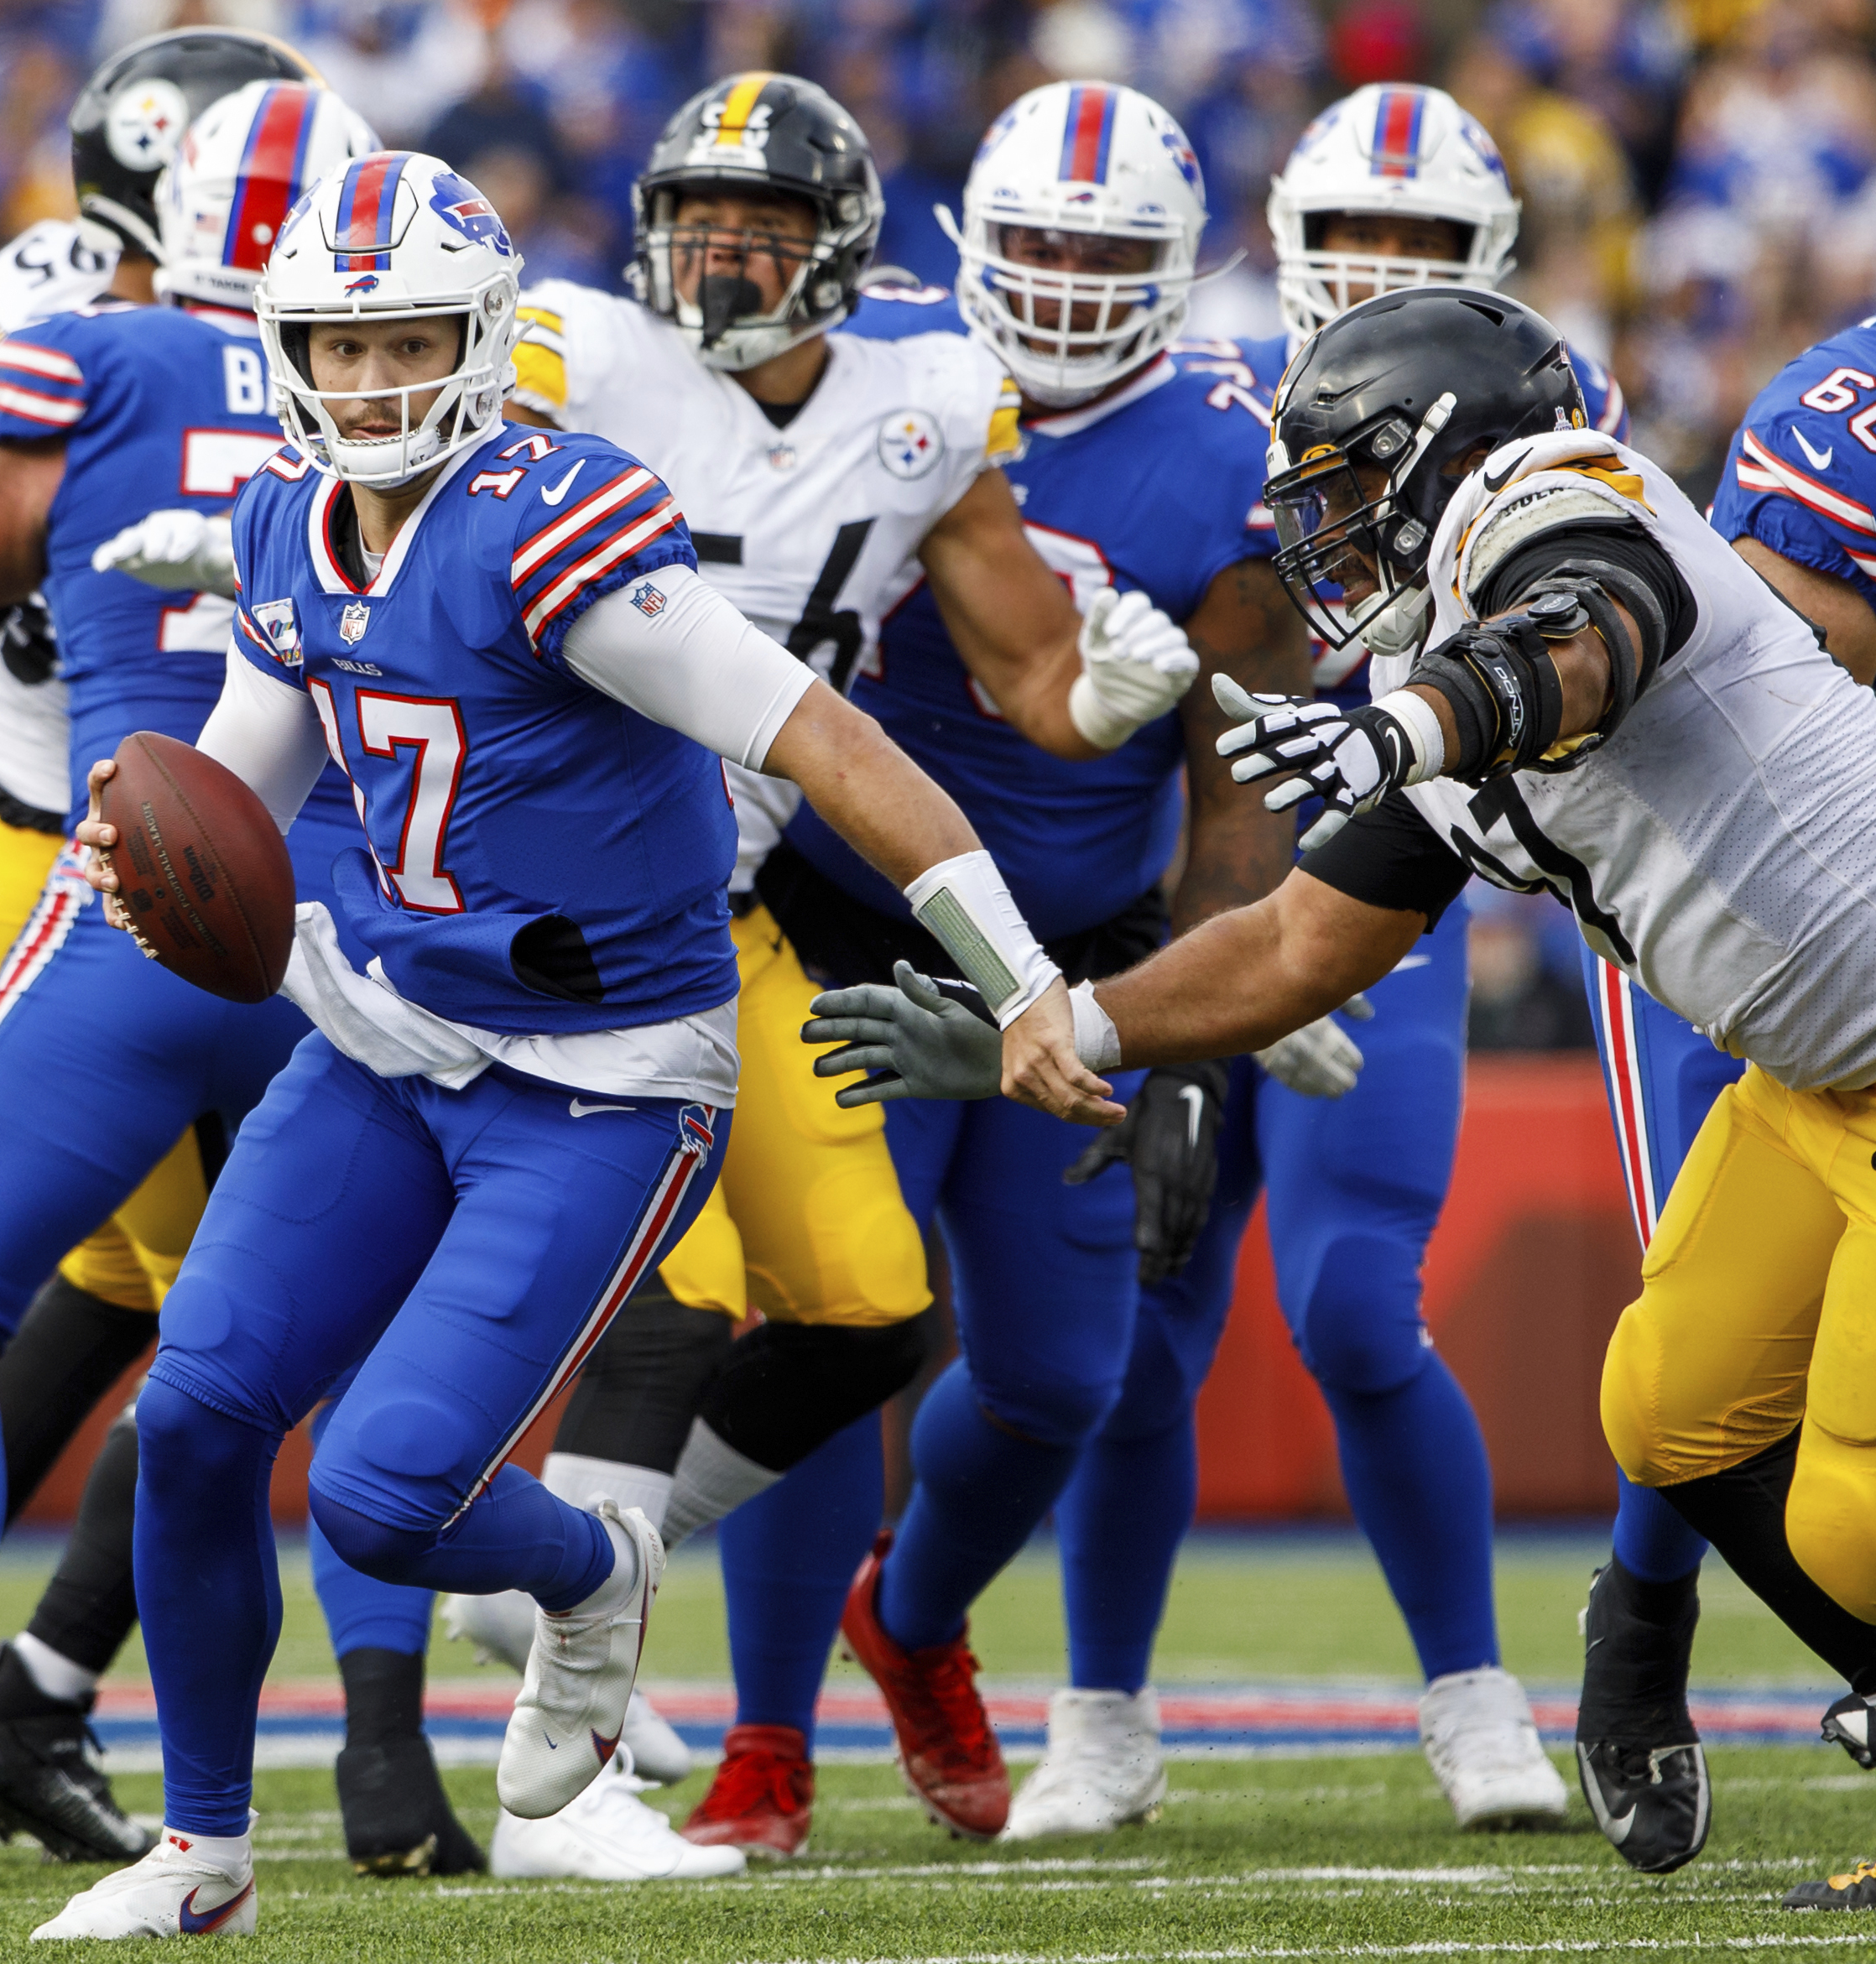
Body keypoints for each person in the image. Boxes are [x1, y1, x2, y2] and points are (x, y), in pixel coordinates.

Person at [29, 148, 1099, 1945]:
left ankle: (599, 1567)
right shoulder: (292, 516)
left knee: (379, 1495)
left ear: (480, 338)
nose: (369, 385)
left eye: (409, 344)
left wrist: (1019, 977)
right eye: (339, 349)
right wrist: (138, 851)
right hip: (386, 1037)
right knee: (198, 1423)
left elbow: (821, 739)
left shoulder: (551, 519)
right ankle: (201, 1851)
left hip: (596, 1079)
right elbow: (236, 784)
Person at [803, 284, 1876, 1914]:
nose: (1320, 534)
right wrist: (1066, 1022)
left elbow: (1585, 629)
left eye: (1341, 488)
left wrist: (1411, 723)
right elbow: (1293, 943)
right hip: (1819, 1077)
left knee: (1856, 1510)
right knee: (1669, 1405)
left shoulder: (1562, 501)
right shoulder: (1433, 690)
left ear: (1441, 456)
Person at [270, 71, 1197, 1867]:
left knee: (868, 1301)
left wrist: (1102, 700)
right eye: (697, 229)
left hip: (725, 897)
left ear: (840, 251)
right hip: (530, 903)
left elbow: (1021, 679)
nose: (718, 264)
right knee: (671, 1293)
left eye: (760, 234)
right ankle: (581, 1748)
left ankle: (564, 1575)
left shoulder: (924, 404)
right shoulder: (567, 359)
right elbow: (384, 436)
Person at [0, 76, 383, 1873]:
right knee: (281, 1377)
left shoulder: (83, 353)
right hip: (353, 930)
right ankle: (374, 1761)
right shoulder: (441, 395)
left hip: (138, 883)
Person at [1004, 81, 1592, 1846]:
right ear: (1284, 245)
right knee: (1138, 1329)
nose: (1384, 273)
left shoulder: (1543, 407)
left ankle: (1474, 1695)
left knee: (1350, 1305)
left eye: (1422, 247)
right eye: (1357, 241)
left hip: (1392, 902)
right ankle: (1098, 1712)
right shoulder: (1205, 410)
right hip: (1198, 902)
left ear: (1486, 260)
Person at [773, 80, 1311, 1844]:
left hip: (1070, 952)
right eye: (1039, 247)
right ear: (963, 248)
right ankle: (756, 1748)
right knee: (831, 1320)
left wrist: (1196, 1050)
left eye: (1107, 253)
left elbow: (1237, 786)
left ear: (1182, 266)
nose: (1069, 284)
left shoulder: (1233, 449)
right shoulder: (874, 362)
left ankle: (907, 1618)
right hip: (840, 914)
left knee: (1063, 1375)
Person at [1558, 314, 1876, 1878]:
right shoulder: (1830, 419)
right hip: (1748, 956)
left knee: (1852, 1503)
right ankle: (1638, 1642)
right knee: (1683, 1378)